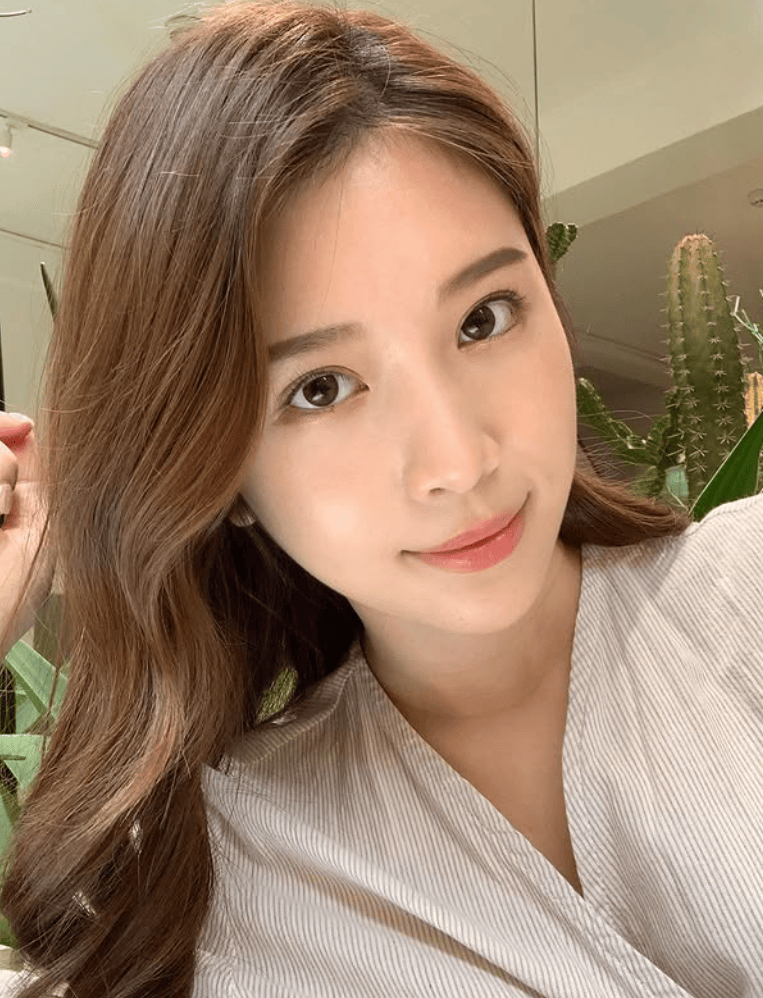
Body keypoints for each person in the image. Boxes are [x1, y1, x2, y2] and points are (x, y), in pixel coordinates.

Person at [0, 2, 761, 995]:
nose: (456, 459)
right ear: (216, 466)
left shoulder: (743, 593)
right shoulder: (233, 875)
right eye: (320, 388)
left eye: (484, 318)